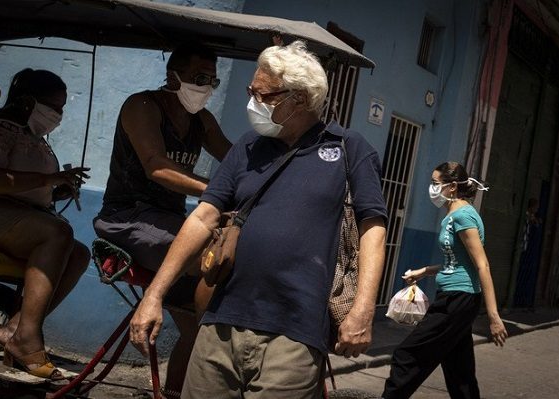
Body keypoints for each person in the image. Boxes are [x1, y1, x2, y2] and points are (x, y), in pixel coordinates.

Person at [129, 40, 388, 399]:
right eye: (251, 91)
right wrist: (154, 294)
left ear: (299, 98)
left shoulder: (349, 149)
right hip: (219, 324)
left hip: (294, 335)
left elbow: (372, 229)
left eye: (262, 94)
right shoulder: (248, 148)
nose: (251, 102)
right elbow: (204, 217)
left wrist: (363, 310)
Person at [93, 42, 232, 398]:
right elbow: (156, 166)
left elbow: (232, 160)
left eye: (212, 81)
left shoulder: (202, 122)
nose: (206, 88)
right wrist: (214, 190)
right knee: (208, 259)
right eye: (199, 78)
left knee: (200, 327)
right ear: (174, 76)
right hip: (127, 218)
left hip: (171, 221)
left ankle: (173, 392)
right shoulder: (142, 106)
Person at [381, 161, 508, 399]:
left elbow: (482, 264)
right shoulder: (454, 215)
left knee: (406, 356)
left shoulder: (463, 216)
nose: (431, 188)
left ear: (451, 187)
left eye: (435, 183)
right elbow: (459, 261)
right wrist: (424, 271)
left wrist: (493, 316)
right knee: (459, 371)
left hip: (458, 300)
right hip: (454, 296)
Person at [0, 69, 91, 379]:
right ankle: (27, 338)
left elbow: (34, 183)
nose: (59, 115)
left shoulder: (35, 138)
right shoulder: (2, 128)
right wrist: (48, 179)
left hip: (24, 218)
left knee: (79, 254)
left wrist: (58, 187)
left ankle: (16, 328)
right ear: (27, 101)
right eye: (54, 107)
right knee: (58, 232)